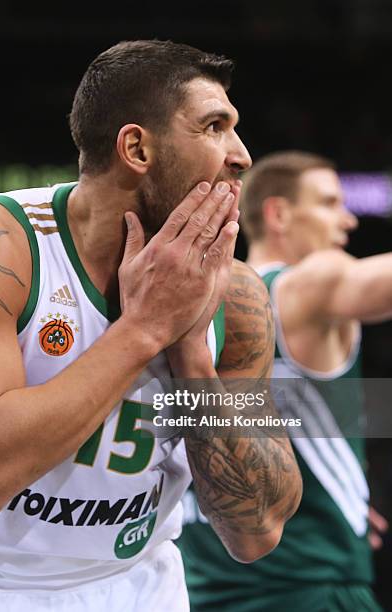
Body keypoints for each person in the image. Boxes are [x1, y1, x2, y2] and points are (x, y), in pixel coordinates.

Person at [0, 41, 302, 611]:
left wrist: (193, 357)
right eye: (214, 127)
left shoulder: (238, 295)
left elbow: (259, 530)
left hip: (138, 584)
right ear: (136, 148)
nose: (242, 155)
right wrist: (145, 330)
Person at [178, 150, 390, 612]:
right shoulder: (302, 284)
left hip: (199, 584)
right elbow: (367, 282)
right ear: (278, 213)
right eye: (330, 203)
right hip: (308, 588)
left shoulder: (184, 300)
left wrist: (328, 492)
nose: (348, 220)